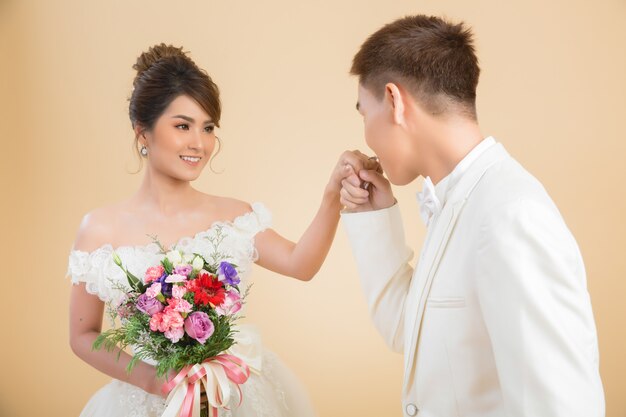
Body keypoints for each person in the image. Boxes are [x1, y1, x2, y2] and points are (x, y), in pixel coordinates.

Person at [67, 43, 373, 417]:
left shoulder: (233, 215)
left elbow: (300, 264)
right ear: (142, 132)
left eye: (208, 127)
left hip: (230, 393)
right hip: (144, 398)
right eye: (183, 126)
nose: (200, 143)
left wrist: (331, 197)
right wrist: (152, 379)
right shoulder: (99, 228)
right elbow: (83, 335)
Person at [339, 15, 605, 417]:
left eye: (363, 113)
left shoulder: (511, 216)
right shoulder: (459, 199)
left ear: (394, 101)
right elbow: (408, 332)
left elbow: (559, 406)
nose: (365, 135)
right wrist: (374, 216)